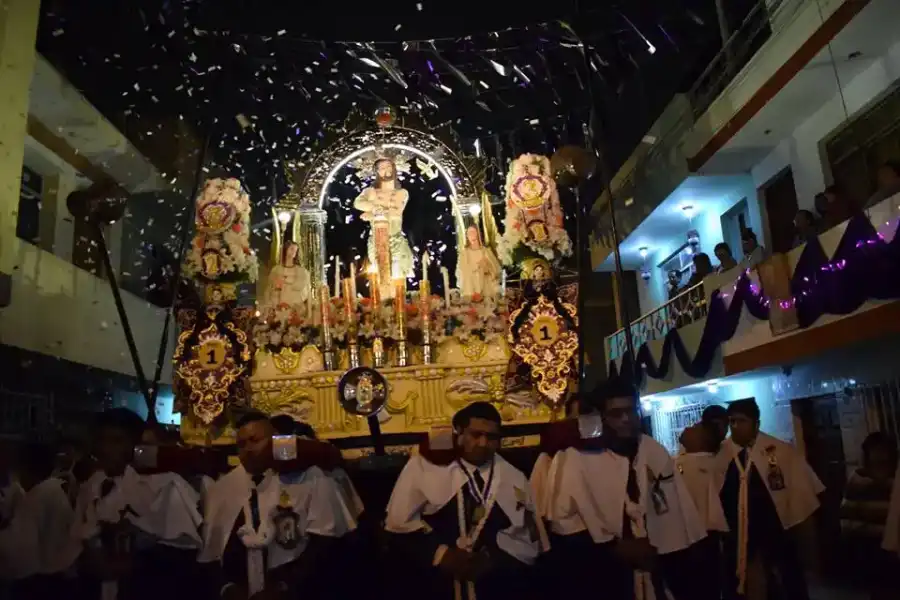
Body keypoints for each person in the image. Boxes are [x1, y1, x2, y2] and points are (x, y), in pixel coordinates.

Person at [543, 378, 711, 600]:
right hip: (603, 576)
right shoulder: (575, 458)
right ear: (600, 417)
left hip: (656, 568)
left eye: (632, 411)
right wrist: (616, 549)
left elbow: (678, 515)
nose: (626, 419)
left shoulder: (653, 450)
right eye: (616, 413)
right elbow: (564, 526)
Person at [384, 402, 543, 600]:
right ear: (459, 433)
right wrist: (441, 555)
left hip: (491, 584)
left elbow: (526, 537)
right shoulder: (425, 465)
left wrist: (492, 560)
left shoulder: (514, 477)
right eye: (476, 435)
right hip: (435, 582)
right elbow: (398, 522)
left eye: (492, 437)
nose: (483, 443)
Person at [199, 412, 357, 600]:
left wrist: (284, 587)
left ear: (276, 440)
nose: (248, 449)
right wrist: (227, 587)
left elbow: (325, 546)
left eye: (255, 440)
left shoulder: (310, 477)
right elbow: (213, 551)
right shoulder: (225, 487)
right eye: (241, 444)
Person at [70, 408, 203, 600]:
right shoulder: (91, 485)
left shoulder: (165, 485)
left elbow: (182, 554)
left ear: (136, 445)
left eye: (116, 441)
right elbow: (75, 539)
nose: (106, 449)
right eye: (101, 440)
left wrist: (136, 559)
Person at [715, 399, 823, 600]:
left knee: (784, 584)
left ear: (756, 423)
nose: (736, 427)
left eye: (742, 421)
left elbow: (801, 499)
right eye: (732, 422)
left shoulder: (781, 451)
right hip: (736, 536)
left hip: (774, 533)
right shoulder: (722, 454)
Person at [0, 443, 74, 596]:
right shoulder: (54, 489)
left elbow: (19, 550)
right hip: (59, 577)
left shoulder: (39, 496)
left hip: (43, 581)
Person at [841, 432, 897, 599]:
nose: (879, 455)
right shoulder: (859, 479)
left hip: (893, 542)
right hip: (868, 544)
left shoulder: (896, 478)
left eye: (883, 450)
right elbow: (848, 512)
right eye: (875, 450)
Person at [354, 156, 414, 283]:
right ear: (376, 172)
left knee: (398, 281)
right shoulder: (370, 192)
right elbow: (358, 203)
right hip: (377, 241)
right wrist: (375, 209)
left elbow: (396, 212)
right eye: (381, 168)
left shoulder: (401, 193)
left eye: (388, 166)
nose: (386, 170)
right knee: (380, 280)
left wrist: (372, 215)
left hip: (395, 241)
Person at [457, 225, 502, 299]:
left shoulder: (486, 251)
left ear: (478, 234)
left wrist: (487, 268)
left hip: (486, 289)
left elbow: (496, 271)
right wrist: (477, 267)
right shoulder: (464, 254)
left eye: (473, 232)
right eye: (469, 233)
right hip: (470, 289)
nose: (471, 235)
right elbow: (461, 272)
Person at [264, 241, 311, 311]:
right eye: (291, 249)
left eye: (296, 250)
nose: (294, 252)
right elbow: (269, 289)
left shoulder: (302, 271)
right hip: (278, 306)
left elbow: (305, 290)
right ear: (285, 250)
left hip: (295, 307)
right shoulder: (276, 270)